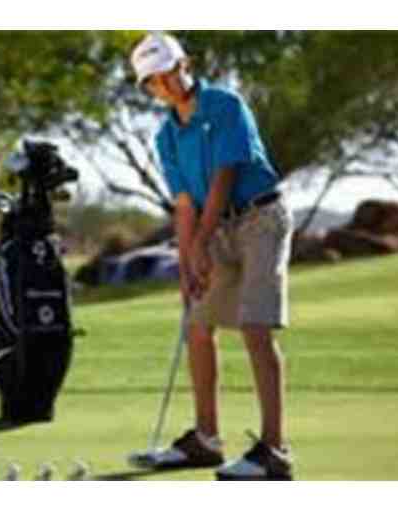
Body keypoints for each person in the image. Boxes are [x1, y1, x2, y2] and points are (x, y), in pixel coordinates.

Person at [130, 33, 294, 481]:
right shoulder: (166, 137)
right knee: (198, 325)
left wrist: (201, 243)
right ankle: (206, 440)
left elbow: (224, 177)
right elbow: (185, 204)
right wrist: (186, 264)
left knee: (255, 327)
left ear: (185, 64)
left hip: (261, 218)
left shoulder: (224, 105)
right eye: (154, 80)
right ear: (148, 87)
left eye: (170, 72)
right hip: (214, 227)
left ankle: (274, 451)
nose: (165, 84)